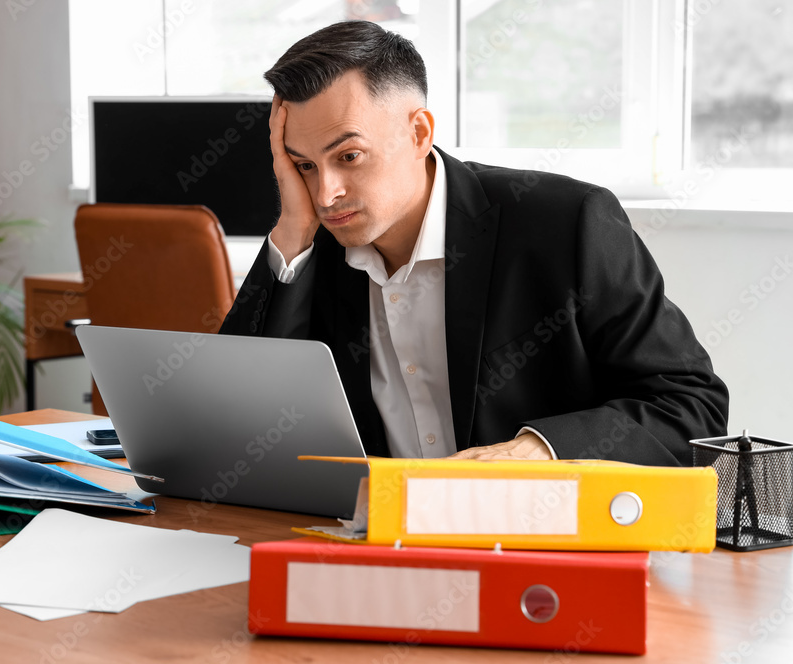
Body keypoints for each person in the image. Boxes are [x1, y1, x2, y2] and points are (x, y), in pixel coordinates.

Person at [218, 20, 728, 465]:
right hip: (379, 551)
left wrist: (539, 449)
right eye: (303, 165)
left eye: (348, 156)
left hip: (540, 546)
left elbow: (689, 406)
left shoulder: (567, 223)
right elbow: (233, 422)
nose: (326, 193)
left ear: (419, 133)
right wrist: (291, 232)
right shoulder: (311, 250)